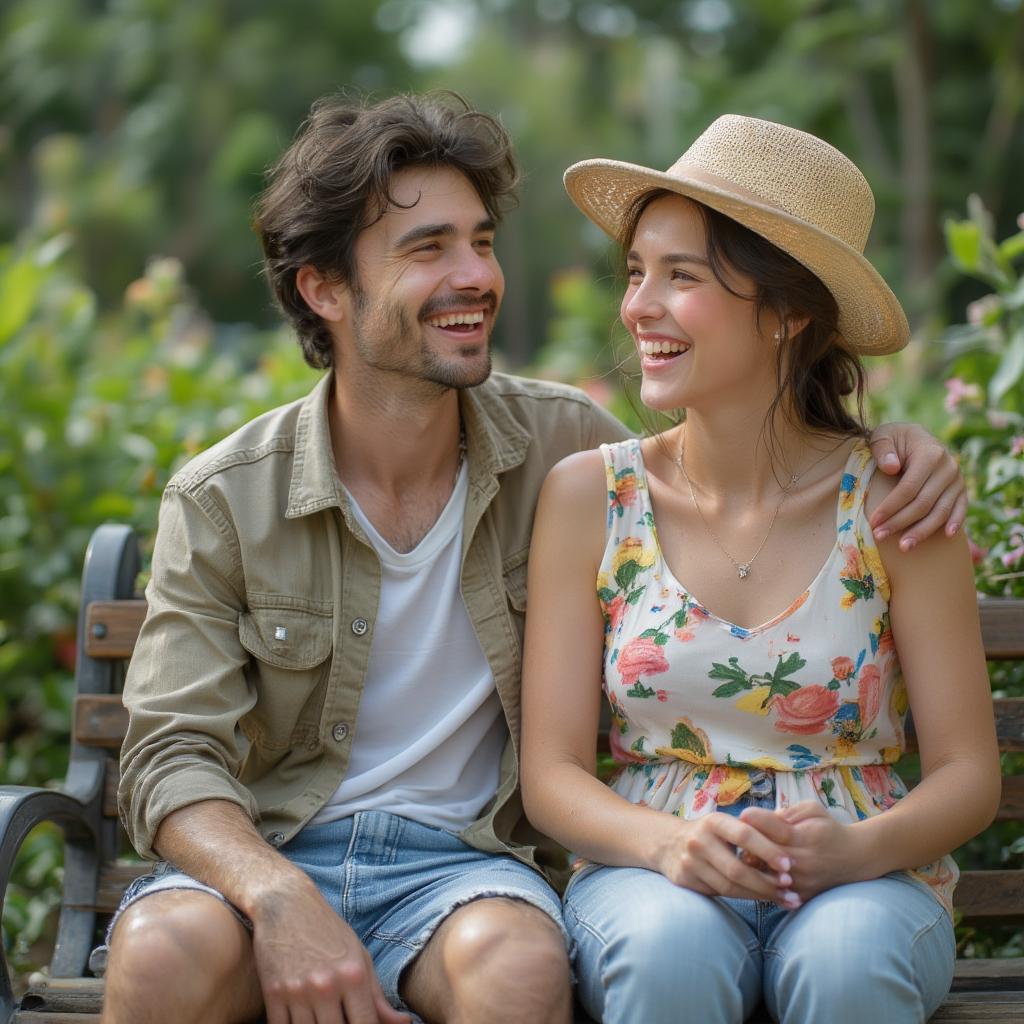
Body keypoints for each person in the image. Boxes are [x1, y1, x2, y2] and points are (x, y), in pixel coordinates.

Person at [100, 94, 966, 1024]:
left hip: (465, 872)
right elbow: (170, 755)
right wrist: (276, 897)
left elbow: (738, 448)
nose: (475, 275)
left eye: (481, 241)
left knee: (518, 971)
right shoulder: (225, 499)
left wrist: (896, 448)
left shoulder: (565, 449)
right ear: (324, 289)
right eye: (428, 249)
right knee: (159, 959)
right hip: (271, 852)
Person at [520, 114, 1000, 1024]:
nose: (638, 306)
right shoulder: (593, 495)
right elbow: (550, 771)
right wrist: (665, 844)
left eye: (682, 277)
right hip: (648, 873)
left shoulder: (896, 502)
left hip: (868, 875)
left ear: (788, 313)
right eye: (637, 272)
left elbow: (969, 771)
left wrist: (861, 852)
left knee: (849, 962)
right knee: (668, 956)